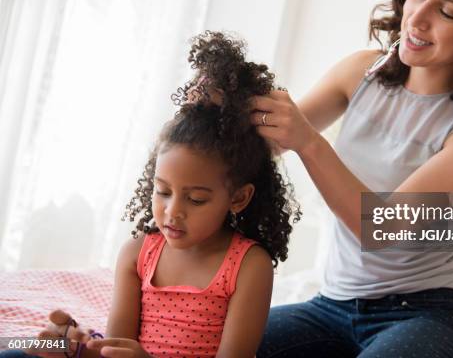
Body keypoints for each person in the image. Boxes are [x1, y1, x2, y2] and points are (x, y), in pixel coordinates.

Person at [251, 0, 453, 357]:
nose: (418, 18)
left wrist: (309, 142)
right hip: (331, 306)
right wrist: (226, 112)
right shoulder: (360, 74)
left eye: (448, 12)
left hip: (426, 314)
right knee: (208, 341)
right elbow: (266, 142)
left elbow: (384, 231)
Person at [2, 32, 300, 358]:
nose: (173, 211)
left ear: (239, 198)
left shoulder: (248, 266)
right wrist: (78, 348)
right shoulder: (137, 255)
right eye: (163, 191)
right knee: (19, 351)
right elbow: (114, 350)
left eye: (196, 199)